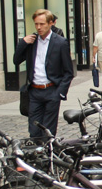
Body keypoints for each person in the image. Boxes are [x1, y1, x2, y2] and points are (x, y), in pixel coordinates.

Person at [14, 9, 74, 138]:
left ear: (50, 23)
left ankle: (48, 155)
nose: (39, 27)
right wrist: (23, 43)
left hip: (52, 90)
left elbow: (68, 72)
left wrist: (60, 93)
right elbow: (16, 60)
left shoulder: (60, 42)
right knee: (34, 130)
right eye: (36, 24)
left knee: (48, 130)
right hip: (35, 91)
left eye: (42, 24)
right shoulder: (31, 41)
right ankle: (36, 155)